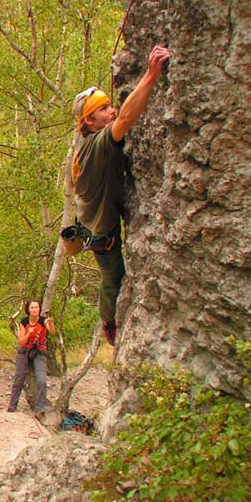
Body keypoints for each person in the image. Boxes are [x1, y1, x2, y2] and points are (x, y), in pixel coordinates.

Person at [71, 45, 171, 346]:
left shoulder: (88, 144)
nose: (111, 110)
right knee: (112, 279)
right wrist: (152, 74)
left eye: (108, 106)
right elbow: (126, 119)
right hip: (102, 232)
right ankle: (108, 318)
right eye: (103, 110)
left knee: (110, 276)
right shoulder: (97, 145)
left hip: (93, 220)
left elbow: (119, 117)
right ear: (89, 122)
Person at [7, 299, 55, 418]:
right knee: (19, 378)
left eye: (37, 307)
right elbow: (21, 341)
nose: (35, 310)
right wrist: (29, 333)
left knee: (41, 380)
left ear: (39, 309)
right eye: (32, 307)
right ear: (28, 310)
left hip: (39, 351)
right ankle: (12, 406)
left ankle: (40, 408)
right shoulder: (24, 322)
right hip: (25, 350)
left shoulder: (43, 321)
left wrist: (50, 322)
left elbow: (52, 331)